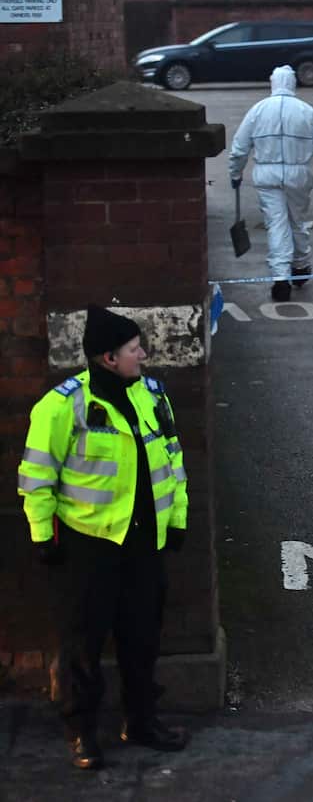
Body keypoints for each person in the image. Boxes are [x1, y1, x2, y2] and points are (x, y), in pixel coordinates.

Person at [17, 306, 191, 770]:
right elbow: (36, 476)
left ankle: (141, 721)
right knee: (82, 645)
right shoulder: (62, 406)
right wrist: (43, 535)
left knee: (142, 638)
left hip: (144, 545)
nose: (144, 355)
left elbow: (173, 458)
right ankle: (82, 733)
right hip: (87, 547)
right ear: (109, 358)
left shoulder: (153, 395)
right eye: (135, 349)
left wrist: (176, 520)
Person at [228, 64, 313, 303]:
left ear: (273, 83)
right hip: (298, 174)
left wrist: (236, 173)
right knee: (297, 221)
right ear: (293, 83)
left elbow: (239, 147)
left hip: (266, 174)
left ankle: (280, 277)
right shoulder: (306, 111)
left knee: (276, 224)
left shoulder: (258, 110)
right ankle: (300, 266)